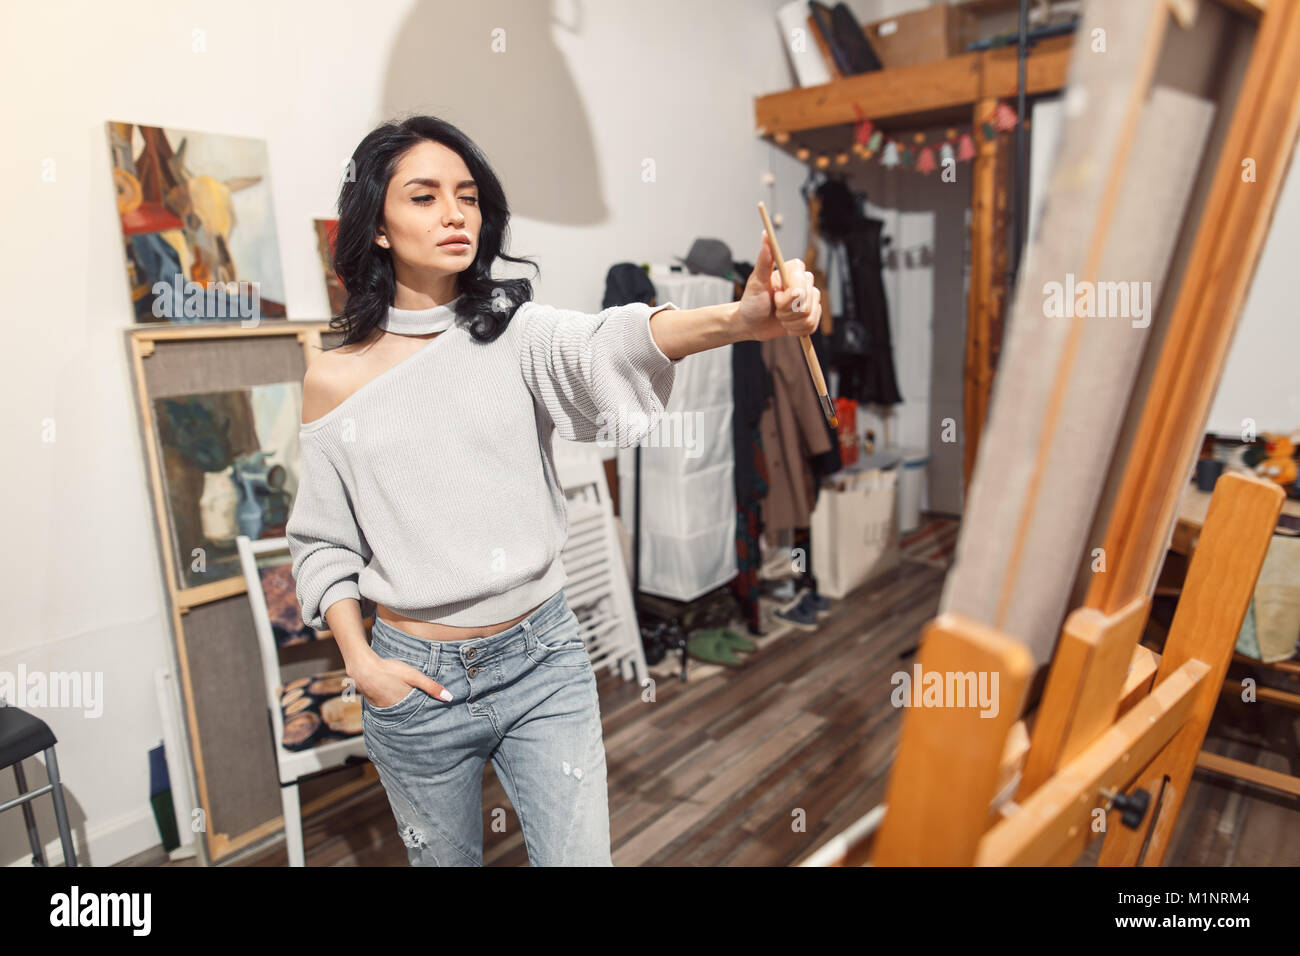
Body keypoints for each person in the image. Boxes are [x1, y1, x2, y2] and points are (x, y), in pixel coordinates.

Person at [286, 115, 822, 866]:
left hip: (543, 659)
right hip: (414, 682)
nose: (454, 214)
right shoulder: (331, 378)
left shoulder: (513, 331)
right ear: (375, 225)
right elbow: (322, 541)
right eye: (424, 196)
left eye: (467, 196)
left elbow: (614, 340)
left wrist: (741, 317)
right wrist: (363, 665)